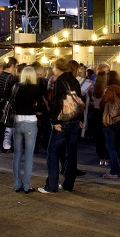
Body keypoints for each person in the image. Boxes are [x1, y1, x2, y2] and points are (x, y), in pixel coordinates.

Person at [39, 58, 83, 194]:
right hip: (75, 120)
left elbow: (58, 102)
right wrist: (80, 119)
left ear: (57, 67)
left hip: (63, 120)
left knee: (53, 151)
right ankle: (68, 184)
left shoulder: (60, 81)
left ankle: (51, 186)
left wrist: (55, 121)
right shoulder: (74, 80)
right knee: (71, 152)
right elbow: (79, 100)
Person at [10, 65, 42, 192]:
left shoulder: (16, 87)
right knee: (29, 155)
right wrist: (34, 106)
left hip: (18, 120)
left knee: (17, 154)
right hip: (30, 121)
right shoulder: (35, 89)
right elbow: (39, 107)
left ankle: (17, 184)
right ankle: (27, 185)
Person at [100, 81, 120, 180]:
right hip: (117, 120)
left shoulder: (110, 89)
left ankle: (114, 172)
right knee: (112, 146)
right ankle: (118, 170)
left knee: (110, 147)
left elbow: (101, 103)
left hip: (109, 120)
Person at [0, 58, 19, 153]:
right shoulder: (11, 77)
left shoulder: (0, 75)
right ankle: (6, 145)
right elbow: (7, 91)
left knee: (4, 123)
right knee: (9, 123)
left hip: (0, 101)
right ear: (13, 65)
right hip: (7, 102)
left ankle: (4, 143)